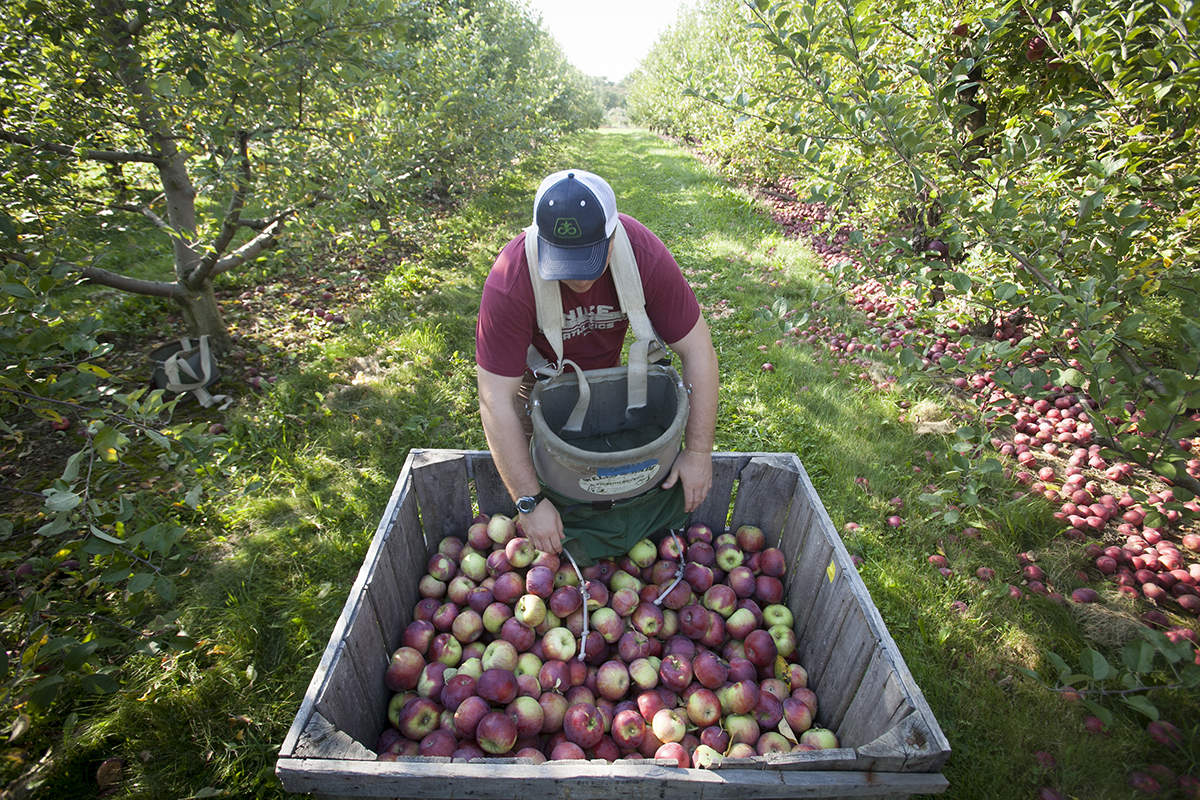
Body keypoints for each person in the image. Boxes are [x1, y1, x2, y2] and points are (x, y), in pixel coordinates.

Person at [475, 169, 719, 557]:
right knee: (541, 491)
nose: (577, 280)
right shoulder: (512, 280)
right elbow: (495, 399)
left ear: (612, 235)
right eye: (562, 262)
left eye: (587, 261)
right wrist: (529, 501)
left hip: (608, 377)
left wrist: (698, 451)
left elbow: (698, 351)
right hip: (537, 382)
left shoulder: (643, 256)